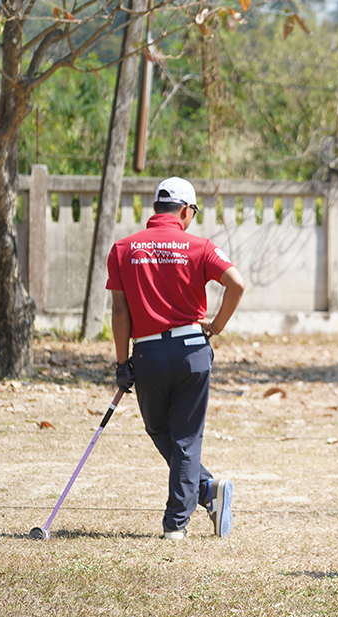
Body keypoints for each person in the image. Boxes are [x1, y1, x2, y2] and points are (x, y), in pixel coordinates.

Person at [106, 177, 246, 540]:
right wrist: (216, 326)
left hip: (148, 353)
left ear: (156, 208)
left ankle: (186, 512)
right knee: (185, 436)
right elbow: (237, 283)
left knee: (160, 429)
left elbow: (119, 311)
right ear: (186, 210)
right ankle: (196, 504)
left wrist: (122, 363)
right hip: (192, 351)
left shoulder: (123, 249)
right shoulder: (200, 247)